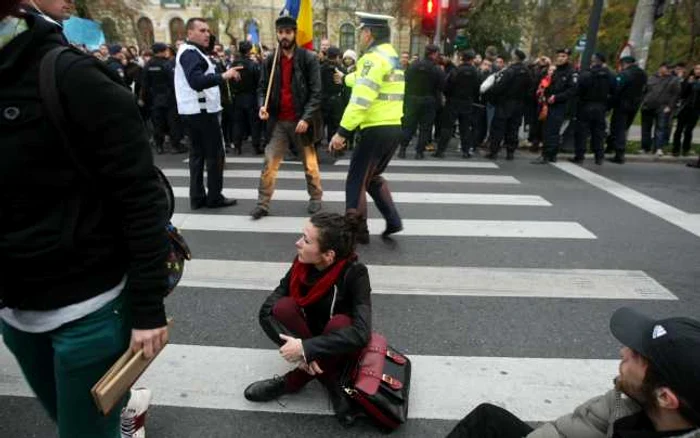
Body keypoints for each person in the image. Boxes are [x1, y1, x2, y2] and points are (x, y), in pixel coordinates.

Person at [0, 2, 171, 437]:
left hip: (88, 310)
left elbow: (141, 197)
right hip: (16, 312)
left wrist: (148, 309)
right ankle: (126, 413)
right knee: (73, 421)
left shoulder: (71, 74)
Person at [447, 307, 700, 438]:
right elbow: (567, 432)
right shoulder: (630, 398)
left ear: (665, 398)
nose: (623, 352)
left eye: (636, 356)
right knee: (488, 419)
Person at [243, 212, 371, 427]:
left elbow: (361, 333)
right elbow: (266, 311)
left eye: (306, 240)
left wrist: (307, 348)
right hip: (311, 336)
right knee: (282, 307)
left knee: (340, 322)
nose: (297, 243)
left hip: (341, 344)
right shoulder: (301, 264)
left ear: (328, 255)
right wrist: (304, 351)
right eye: (302, 236)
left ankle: (294, 381)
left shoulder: (355, 273)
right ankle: (332, 382)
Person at [329, 11, 405, 244]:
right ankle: (393, 220)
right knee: (372, 177)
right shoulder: (390, 56)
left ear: (369, 33)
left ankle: (356, 231)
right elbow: (365, 81)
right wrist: (345, 78)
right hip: (393, 127)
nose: (360, 35)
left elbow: (361, 100)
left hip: (374, 128)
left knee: (356, 180)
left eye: (362, 31)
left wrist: (342, 133)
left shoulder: (372, 59)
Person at [251, 12, 324, 220]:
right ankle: (262, 204)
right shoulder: (270, 60)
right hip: (279, 122)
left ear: (294, 34)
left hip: (301, 121)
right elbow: (262, 88)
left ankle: (316, 198)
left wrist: (306, 118)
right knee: (269, 162)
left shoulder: (308, 58)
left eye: (288, 32)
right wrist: (261, 107)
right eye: (281, 32)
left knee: (310, 164)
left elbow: (317, 93)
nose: (284, 36)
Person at [175, 17, 241, 210]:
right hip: (201, 113)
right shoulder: (190, 53)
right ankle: (214, 197)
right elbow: (196, 81)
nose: (207, 34)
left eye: (208, 31)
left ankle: (197, 197)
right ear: (190, 33)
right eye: (202, 30)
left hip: (194, 112)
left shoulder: (192, 52)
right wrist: (223, 76)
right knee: (214, 156)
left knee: (197, 156)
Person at [399, 43, 445, 159]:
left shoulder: (413, 65)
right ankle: (419, 152)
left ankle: (402, 149)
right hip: (429, 101)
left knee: (408, 126)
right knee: (425, 128)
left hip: (412, 99)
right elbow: (441, 86)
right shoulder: (436, 69)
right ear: (434, 54)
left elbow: (406, 80)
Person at [485, 49, 532, 160]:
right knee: (513, 128)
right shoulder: (527, 72)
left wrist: (492, 96)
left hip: (505, 103)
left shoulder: (509, 71)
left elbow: (499, 87)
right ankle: (510, 152)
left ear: (515, 57)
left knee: (498, 128)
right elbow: (530, 89)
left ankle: (494, 151)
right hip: (519, 105)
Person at [533, 48, 577, 164]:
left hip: (561, 106)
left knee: (552, 131)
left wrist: (557, 97)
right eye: (559, 56)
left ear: (568, 58)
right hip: (550, 104)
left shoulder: (571, 72)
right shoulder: (557, 71)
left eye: (563, 56)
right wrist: (544, 95)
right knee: (548, 130)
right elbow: (550, 86)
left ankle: (547, 155)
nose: (560, 58)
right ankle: (550, 154)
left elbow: (572, 91)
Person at [571, 52, 616, 165]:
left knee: (582, 132)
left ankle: (579, 156)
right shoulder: (610, 75)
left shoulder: (586, 74)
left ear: (594, 60)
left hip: (586, 106)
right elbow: (615, 92)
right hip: (601, 107)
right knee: (599, 132)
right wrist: (607, 106)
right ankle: (599, 157)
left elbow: (578, 91)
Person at [435, 49, 480, 159]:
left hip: (453, 102)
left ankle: (440, 151)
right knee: (465, 128)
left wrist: (449, 96)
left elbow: (446, 86)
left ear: (462, 58)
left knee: (447, 127)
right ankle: (466, 151)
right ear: (472, 59)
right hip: (467, 103)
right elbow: (477, 88)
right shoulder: (475, 72)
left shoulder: (456, 71)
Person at [141, 42, 185, 154]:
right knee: (173, 122)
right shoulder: (167, 64)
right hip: (169, 98)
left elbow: (145, 84)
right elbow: (173, 81)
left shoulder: (148, 65)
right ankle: (175, 146)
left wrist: (145, 99)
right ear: (162, 51)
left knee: (158, 123)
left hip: (155, 99)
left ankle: (159, 146)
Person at [607, 56, 648, 164]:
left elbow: (617, 89)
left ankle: (619, 154)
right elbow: (645, 89)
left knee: (618, 128)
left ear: (624, 64)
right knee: (624, 128)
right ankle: (611, 147)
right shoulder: (643, 74)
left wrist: (610, 105)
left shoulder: (625, 74)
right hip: (635, 105)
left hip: (622, 104)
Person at [640, 62, 681, 157]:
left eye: (671, 69)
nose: (669, 70)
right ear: (661, 68)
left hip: (662, 107)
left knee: (661, 127)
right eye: (667, 68)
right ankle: (645, 147)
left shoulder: (674, 80)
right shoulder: (651, 78)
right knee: (646, 128)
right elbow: (644, 91)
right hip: (648, 106)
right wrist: (643, 102)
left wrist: (670, 106)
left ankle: (658, 148)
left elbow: (676, 95)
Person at [231, 40, 263, 155]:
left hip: (237, 97)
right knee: (254, 123)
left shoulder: (233, 64)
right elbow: (259, 81)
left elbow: (229, 80)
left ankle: (237, 146)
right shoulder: (252, 64)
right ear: (249, 50)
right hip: (250, 96)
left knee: (237, 123)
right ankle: (256, 146)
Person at [673, 64, 700, 157]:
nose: (698, 70)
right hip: (685, 108)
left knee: (688, 130)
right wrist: (689, 83)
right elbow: (682, 94)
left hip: (695, 109)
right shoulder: (688, 79)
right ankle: (675, 149)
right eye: (696, 68)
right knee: (679, 129)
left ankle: (686, 149)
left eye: (699, 69)